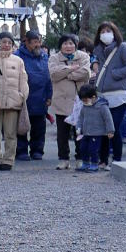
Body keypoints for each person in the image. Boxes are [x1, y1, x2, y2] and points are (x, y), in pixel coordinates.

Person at [89, 20, 126, 171]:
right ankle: (102, 160)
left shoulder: (122, 47)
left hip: (119, 94)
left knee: (113, 128)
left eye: (108, 31)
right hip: (102, 94)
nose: (105, 34)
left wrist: (115, 74)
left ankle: (117, 159)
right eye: (102, 32)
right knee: (102, 129)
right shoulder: (97, 50)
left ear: (114, 32)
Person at [49, 32, 91, 169]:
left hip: (79, 101)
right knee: (62, 133)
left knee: (80, 132)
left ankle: (80, 157)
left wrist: (68, 74)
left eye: (71, 43)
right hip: (61, 100)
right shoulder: (54, 58)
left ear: (75, 45)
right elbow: (54, 74)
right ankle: (63, 159)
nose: (68, 46)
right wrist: (70, 68)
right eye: (65, 43)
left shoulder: (83, 56)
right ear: (61, 45)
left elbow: (85, 73)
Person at [14, 28, 52, 161]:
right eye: (35, 42)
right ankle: (21, 150)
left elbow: (49, 79)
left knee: (39, 127)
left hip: (41, 97)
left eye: (39, 42)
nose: (38, 45)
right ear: (27, 43)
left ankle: (37, 150)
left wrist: (49, 96)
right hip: (24, 97)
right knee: (21, 125)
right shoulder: (17, 55)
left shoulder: (44, 57)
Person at [0, 32, 28, 171]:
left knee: (10, 134)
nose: (6, 45)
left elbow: (24, 81)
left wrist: (21, 96)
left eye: (9, 42)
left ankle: (8, 160)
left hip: (13, 102)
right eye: (4, 42)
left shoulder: (18, 61)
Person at [73, 83, 114, 173]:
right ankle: (85, 163)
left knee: (93, 149)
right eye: (82, 100)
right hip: (85, 133)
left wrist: (110, 131)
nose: (84, 102)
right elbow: (80, 118)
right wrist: (78, 127)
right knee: (83, 148)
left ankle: (95, 164)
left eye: (86, 100)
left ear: (93, 97)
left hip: (97, 133)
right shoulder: (84, 107)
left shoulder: (102, 106)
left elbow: (108, 119)